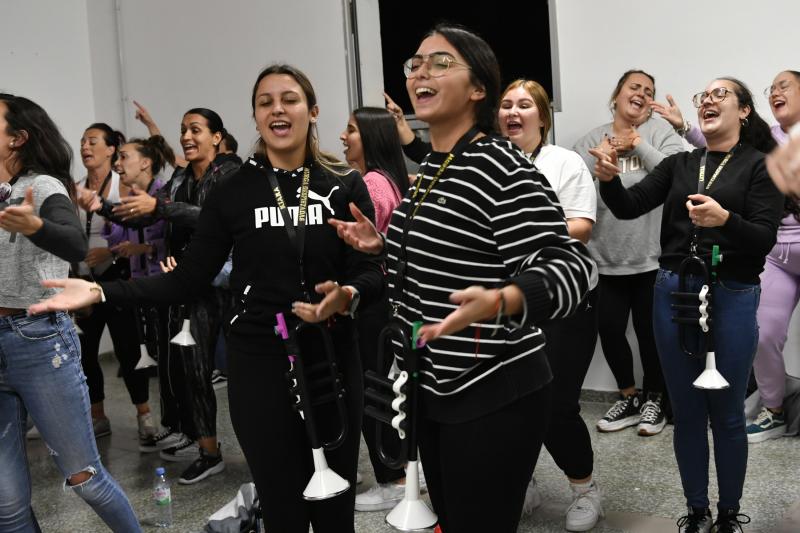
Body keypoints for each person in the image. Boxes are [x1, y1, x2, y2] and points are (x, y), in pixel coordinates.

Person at [29, 64, 383, 533]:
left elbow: (369, 269)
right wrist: (100, 289)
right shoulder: (235, 191)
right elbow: (188, 278)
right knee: (283, 507)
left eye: (290, 99)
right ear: (255, 118)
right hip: (259, 361)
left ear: (312, 111)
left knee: (336, 505)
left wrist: (350, 292)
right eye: (265, 102)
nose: (278, 108)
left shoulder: (343, 184)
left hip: (332, 358)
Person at [329, 24, 594, 533]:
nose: (421, 72)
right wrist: (385, 247)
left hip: (493, 391)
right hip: (437, 386)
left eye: (441, 62)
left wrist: (506, 298)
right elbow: (457, 249)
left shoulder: (501, 167)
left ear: (479, 89)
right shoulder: (435, 165)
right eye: (416, 63)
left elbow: (574, 267)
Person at [589, 77, 783, 532]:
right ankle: (696, 512)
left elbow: (764, 237)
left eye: (721, 95)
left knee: (728, 412)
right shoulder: (680, 163)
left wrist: (725, 220)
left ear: (744, 112)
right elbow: (630, 205)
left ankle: (729, 515)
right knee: (688, 410)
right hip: (673, 291)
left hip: (732, 293)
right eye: (705, 96)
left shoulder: (761, 166)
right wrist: (610, 181)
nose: (709, 101)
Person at [0, 93, 141, 532]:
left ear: (17, 139)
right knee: (6, 506)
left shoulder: (41, 187)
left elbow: (76, 245)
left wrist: (37, 225)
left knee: (85, 479)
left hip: (37, 340)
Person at [653, 71, 800, 443]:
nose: (776, 92)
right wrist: (684, 126)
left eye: (785, 85)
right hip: (777, 254)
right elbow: (720, 153)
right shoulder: (768, 140)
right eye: (772, 88)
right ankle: (774, 409)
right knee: (764, 334)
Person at [498, 78, 602, 530]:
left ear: (543, 116)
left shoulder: (565, 162)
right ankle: (525, 483)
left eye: (524, 105)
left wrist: (525, 228)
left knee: (556, 403)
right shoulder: (490, 164)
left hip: (564, 302)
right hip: (509, 301)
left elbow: (581, 225)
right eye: (506, 105)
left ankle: (584, 487)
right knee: (510, 401)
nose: (513, 112)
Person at [574, 70, 685, 436]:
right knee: (609, 329)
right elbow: (572, 185)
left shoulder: (660, 134)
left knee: (650, 332)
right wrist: (601, 159)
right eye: (634, 87)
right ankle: (628, 395)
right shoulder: (592, 138)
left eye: (648, 90)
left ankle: (655, 399)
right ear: (617, 94)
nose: (640, 93)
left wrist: (636, 142)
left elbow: (676, 176)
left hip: (651, 256)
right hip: (604, 258)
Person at [340, 106, 411, 512]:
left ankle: (393, 479)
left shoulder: (370, 184)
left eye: (351, 130)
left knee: (373, 388)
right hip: (386, 299)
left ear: (370, 137)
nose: (343, 136)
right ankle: (395, 473)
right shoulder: (388, 179)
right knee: (383, 385)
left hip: (374, 300)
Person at [72, 122, 157, 443]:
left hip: (117, 278)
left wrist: (108, 252)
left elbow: (137, 226)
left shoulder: (119, 187)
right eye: (82, 141)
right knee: (85, 353)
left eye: (92, 141)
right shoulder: (77, 188)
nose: (85, 147)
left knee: (128, 349)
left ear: (111, 149)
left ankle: (144, 414)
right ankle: (98, 415)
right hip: (84, 282)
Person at [99, 136, 174, 451]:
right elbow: (114, 238)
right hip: (137, 285)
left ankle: (184, 429)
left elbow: (177, 242)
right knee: (148, 357)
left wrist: (145, 247)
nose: (118, 164)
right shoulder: (127, 196)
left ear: (145, 162)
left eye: (124, 157)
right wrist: (108, 210)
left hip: (165, 286)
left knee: (172, 364)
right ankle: (170, 425)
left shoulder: (166, 194)